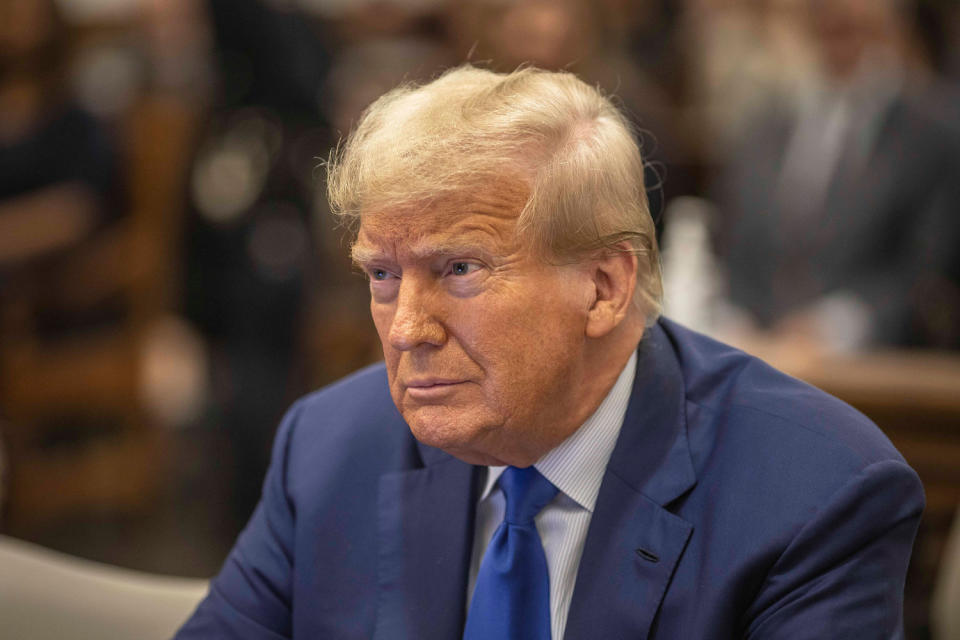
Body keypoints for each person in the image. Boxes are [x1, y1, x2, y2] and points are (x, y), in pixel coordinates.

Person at [176, 65, 924, 639]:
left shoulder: (817, 495)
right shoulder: (330, 447)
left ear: (602, 287)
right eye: (382, 275)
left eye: (459, 270)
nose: (406, 329)